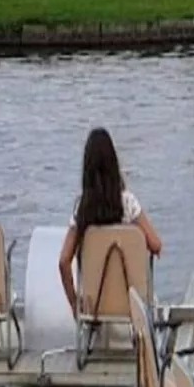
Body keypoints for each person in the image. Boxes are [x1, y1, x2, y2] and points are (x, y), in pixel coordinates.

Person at [58, 127, 162, 312]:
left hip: (95, 306)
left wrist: (75, 304)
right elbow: (155, 244)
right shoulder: (128, 203)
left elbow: (64, 262)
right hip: (131, 304)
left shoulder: (82, 209)